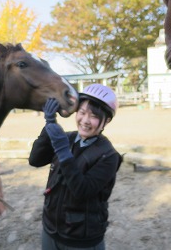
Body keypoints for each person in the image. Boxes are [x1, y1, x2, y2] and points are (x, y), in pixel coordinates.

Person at [29, 83, 122, 250]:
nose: (85, 121)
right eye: (82, 112)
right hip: (50, 228)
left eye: (94, 116)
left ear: (106, 121)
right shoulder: (68, 138)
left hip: (82, 239)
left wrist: (62, 149)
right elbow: (35, 160)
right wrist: (50, 125)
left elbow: (82, 190)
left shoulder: (108, 156)